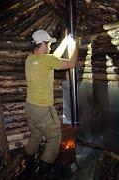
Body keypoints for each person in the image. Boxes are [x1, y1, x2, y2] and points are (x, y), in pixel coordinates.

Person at [24, 29, 78, 178]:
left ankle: (28, 169)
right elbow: (71, 63)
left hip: (30, 107)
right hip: (42, 108)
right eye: (48, 44)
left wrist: (66, 42)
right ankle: (43, 172)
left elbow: (52, 58)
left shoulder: (30, 59)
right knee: (54, 139)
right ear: (43, 44)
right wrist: (75, 45)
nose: (50, 47)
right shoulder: (47, 60)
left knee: (35, 135)